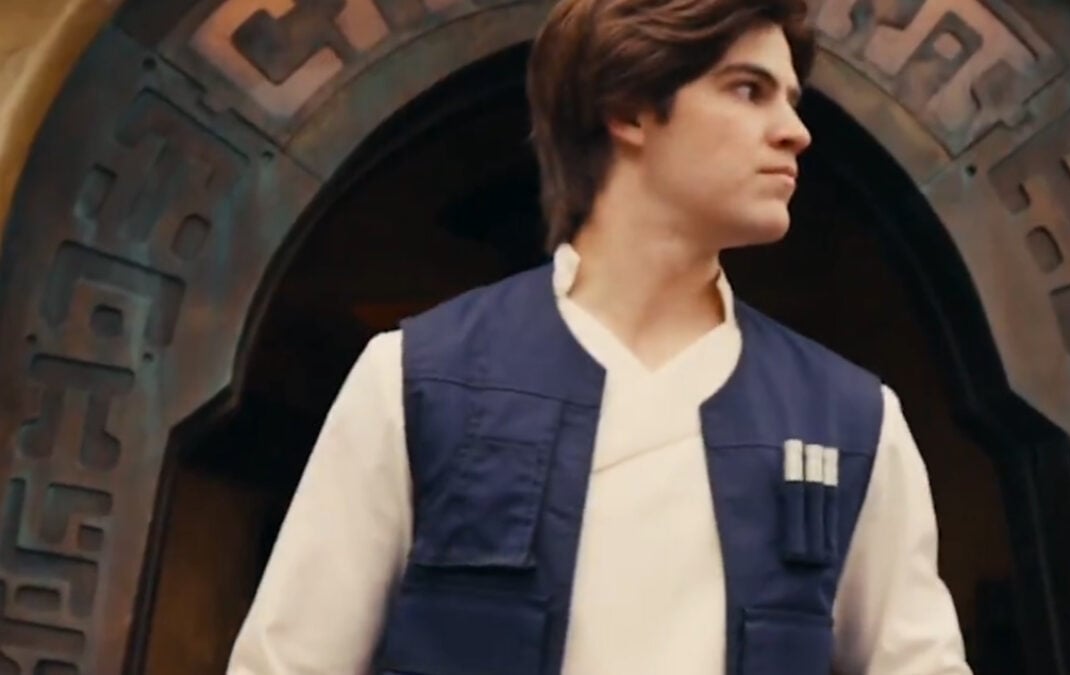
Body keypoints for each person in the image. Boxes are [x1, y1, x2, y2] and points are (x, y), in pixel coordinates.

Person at [226, 0, 973, 671]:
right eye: (748, 90)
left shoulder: (851, 420)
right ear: (629, 109)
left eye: (791, 99)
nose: (796, 131)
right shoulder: (416, 379)